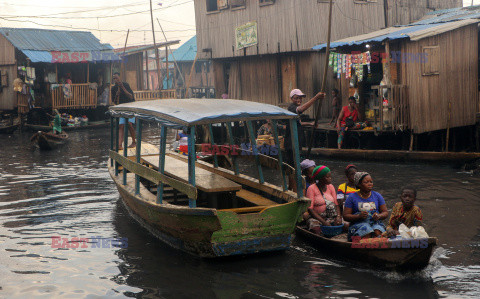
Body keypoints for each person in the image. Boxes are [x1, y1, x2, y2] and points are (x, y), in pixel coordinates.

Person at [284, 89, 325, 166]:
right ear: (291, 99)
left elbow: (299, 123)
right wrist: (316, 97)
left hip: (296, 142)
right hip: (291, 143)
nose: (299, 100)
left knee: (296, 164)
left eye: (300, 98)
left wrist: (310, 124)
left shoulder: (295, 111)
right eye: (296, 98)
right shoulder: (292, 108)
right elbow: (301, 109)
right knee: (293, 166)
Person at [343, 172, 389, 241]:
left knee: (377, 230)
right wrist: (358, 216)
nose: (370, 184)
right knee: (366, 229)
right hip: (358, 224)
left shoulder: (377, 196)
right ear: (359, 184)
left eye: (371, 182)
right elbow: (345, 216)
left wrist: (379, 216)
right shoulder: (351, 197)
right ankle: (364, 246)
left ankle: (377, 245)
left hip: (375, 223)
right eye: (366, 182)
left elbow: (385, 212)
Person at [306, 165, 344, 234]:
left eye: (330, 176)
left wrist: (338, 216)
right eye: (327, 177)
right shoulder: (311, 188)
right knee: (316, 229)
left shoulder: (331, 187)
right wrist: (323, 222)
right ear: (320, 178)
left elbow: (336, 204)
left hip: (331, 216)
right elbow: (310, 209)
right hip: (317, 218)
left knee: (345, 225)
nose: (330, 179)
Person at [112, 72, 136, 149]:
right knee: (121, 125)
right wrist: (117, 94)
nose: (116, 80)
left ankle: (134, 142)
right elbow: (114, 102)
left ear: (120, 78)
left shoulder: (125, 85)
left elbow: (131, 97)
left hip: (130, 107)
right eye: (114, 78)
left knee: (129, 124)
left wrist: (123, 88)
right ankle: (119, 145)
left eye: (117, 78)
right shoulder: (113, 88)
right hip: (122, 109)